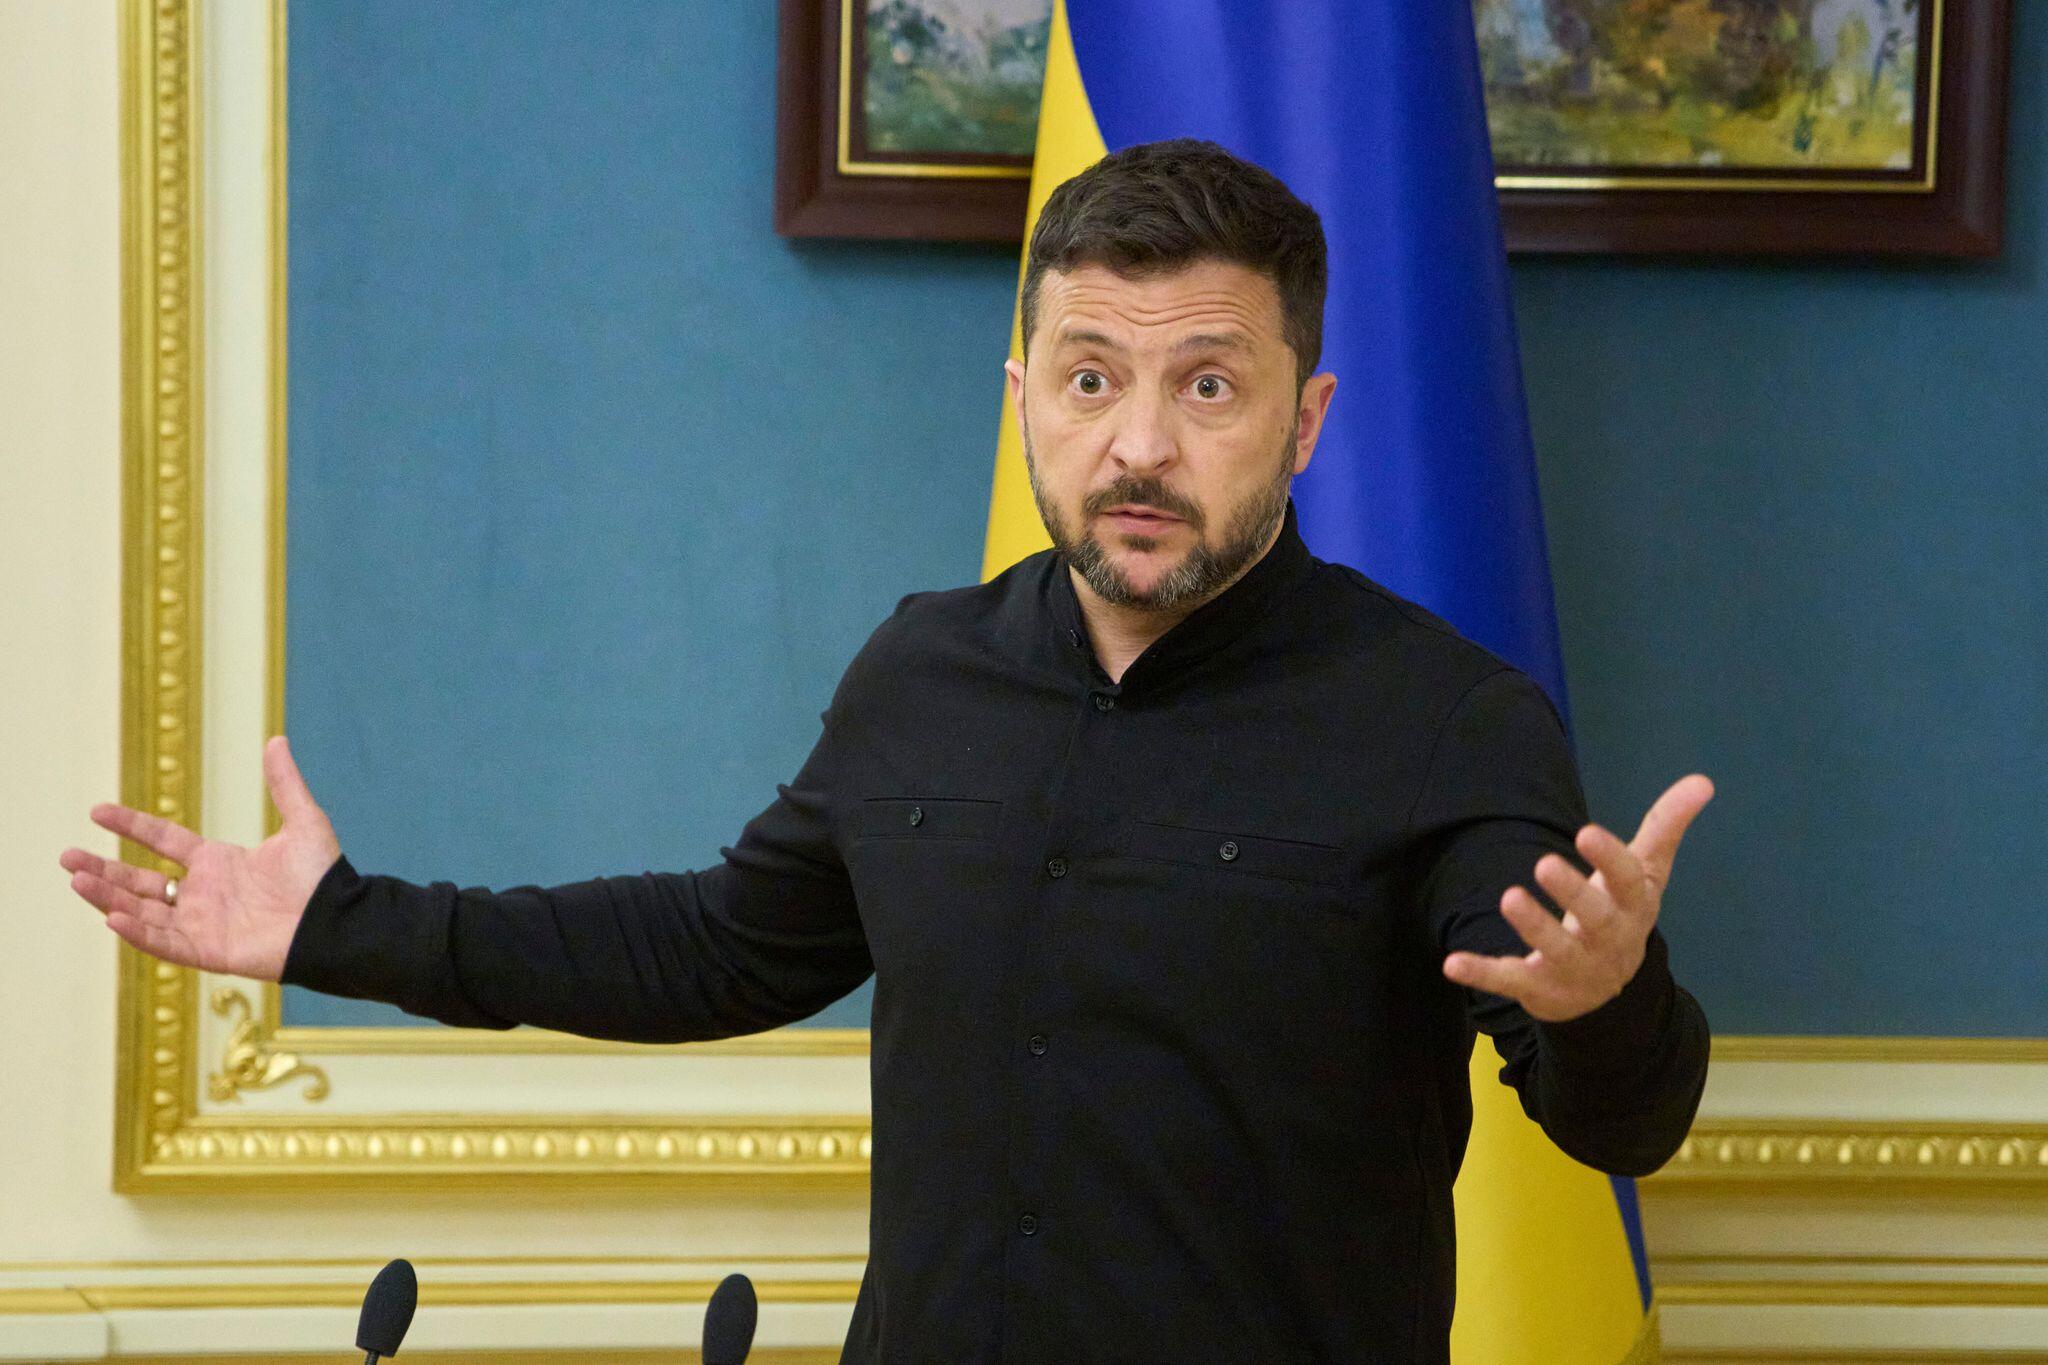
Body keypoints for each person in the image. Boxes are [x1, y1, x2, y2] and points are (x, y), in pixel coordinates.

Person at [62, 139, 1711, 1363]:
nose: (1138, 443)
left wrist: (1604, 1001)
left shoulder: (1445, 716)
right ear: (1025, 398)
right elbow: (716, 944)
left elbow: (1621, 1120)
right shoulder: (927, 669)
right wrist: (337, 923)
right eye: (1091, 379)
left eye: (1209, 386)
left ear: (1309, 420)